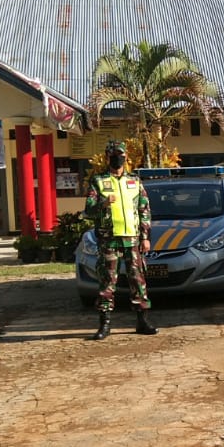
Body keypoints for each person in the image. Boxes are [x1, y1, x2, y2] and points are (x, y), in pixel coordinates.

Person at [85, 140, 156, 339]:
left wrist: (145, 237)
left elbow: (144, 210)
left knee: (138, 279)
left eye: (121, 155)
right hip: (109, 239)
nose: (118, 158)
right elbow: (88, 209)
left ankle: (143, 321)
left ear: (126, 158)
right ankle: (105, 324)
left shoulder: (134, 181)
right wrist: (102, 202)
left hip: (132, 239)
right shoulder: (98, 181)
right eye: (114, 155)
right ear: (107, 157)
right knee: (107, 280)